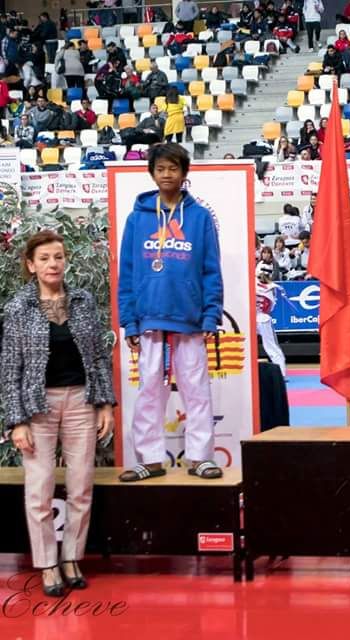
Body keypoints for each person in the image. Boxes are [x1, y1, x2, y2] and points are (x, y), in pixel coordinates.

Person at [2, 231, 115, 598]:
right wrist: (16, 420)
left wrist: (105, 404)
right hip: (38, 407)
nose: (54, 264)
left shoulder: (83, 301)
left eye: (59, 257)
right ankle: (47, 563)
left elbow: (99, 357)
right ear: (31, 265)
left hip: (82, 401)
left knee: (81, 485)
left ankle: (72, 559)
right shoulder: (18, 307)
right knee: (40, 488)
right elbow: (10, 368)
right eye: (46, 258)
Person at [116, 143, 224, 482]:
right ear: (152, 172)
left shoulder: (200, 217)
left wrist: (210, 315)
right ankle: (148, 459)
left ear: (184, 173)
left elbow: (211, 270)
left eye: (173, 169)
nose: (167, 175)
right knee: (148, 390)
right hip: (149, 320)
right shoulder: (137, 218)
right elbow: (128, 271)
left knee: (197, 390)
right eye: (160, 169)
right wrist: (128, 319)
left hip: (189, 320)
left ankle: (200, 457)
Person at [255, 265, 286, 376]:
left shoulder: (251, 284)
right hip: (263, 318)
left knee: (247, 344)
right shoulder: (273, 287)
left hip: (250, 319)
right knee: (271, 346)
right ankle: (281, 372)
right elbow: (271, 306)